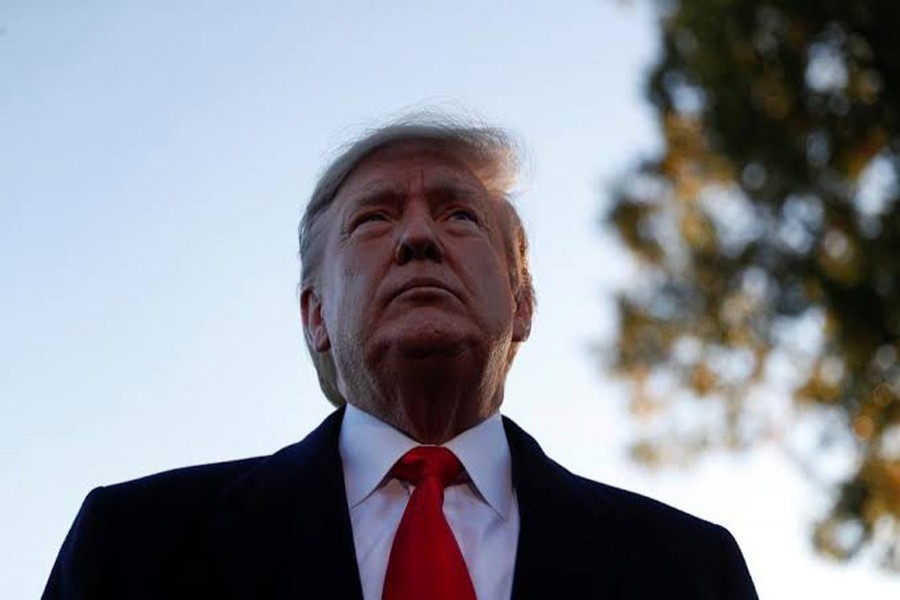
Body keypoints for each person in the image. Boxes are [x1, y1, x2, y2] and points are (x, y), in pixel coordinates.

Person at [44, 115, 758, 599]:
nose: (419, 237)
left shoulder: (691, 572)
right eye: (375, 217)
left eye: (458, 214)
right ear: (315, 315)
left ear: (524, 305)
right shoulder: (132, 548)